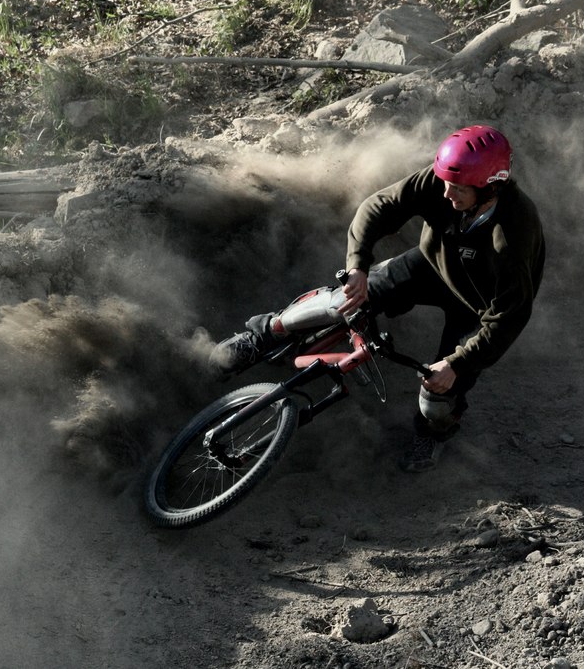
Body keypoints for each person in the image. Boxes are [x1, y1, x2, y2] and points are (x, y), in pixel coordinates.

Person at [214, 125, 546, 472]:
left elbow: (510, 316)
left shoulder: (513, 234)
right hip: (430, 267)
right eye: (445, 182)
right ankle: (263, 334)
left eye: (458, 190)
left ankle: (432, 433)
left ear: (490, 186)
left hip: (479, 308)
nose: (446, 193)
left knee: (437, 396)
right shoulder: (442, 182)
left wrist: (456, 364)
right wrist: (357, 265)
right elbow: (379, 207)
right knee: (341, 300)